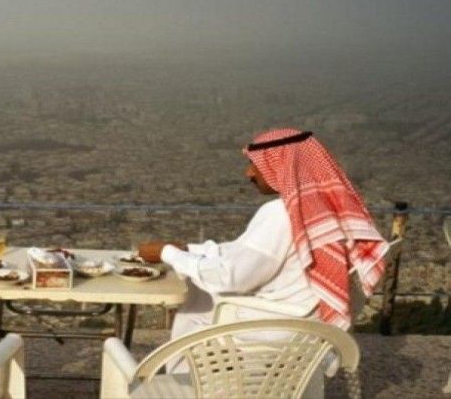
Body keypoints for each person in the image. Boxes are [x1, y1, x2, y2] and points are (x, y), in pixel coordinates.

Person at [139, 128, 388, 349]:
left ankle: (186, 380)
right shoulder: (328, 211)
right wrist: (190, 250)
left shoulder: (281, 213)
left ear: (281, 166)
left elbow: (233, 277)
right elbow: (249, 254)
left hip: (274, 328)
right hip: (306, 323)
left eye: (255, 164)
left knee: (198, 303)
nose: (249, 173)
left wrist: (167, 253)